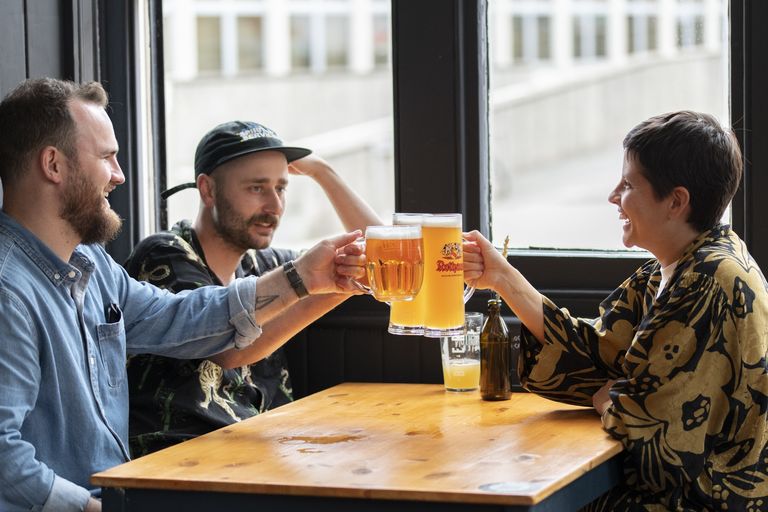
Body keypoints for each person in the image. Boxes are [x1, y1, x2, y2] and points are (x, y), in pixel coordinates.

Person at [0, 77, 364, 512]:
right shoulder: (9, 293)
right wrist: (94, 509)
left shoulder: (92, 265)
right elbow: (4, 456)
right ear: (53, 165)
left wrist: (302, 279)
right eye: (106, 157)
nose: (119, 175)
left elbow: (180, 318)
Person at [463, 111, 768, 511]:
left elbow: (661, 436)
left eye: (627, 184)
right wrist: (502, 278)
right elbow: (597, 354)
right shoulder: (675, 269)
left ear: (675, 201)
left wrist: (612, 401)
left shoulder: (709, 281)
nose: (613, 197)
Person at [124, 120, 382, 456]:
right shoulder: (165, 254)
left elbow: (384, 256)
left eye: (281, 188)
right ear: (208, 190)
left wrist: (324, 174)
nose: (274, 206)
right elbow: (230, 349)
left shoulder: (261, 265)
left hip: (257, 450)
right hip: (175, 461)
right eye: (256, 188)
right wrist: (331, 287)